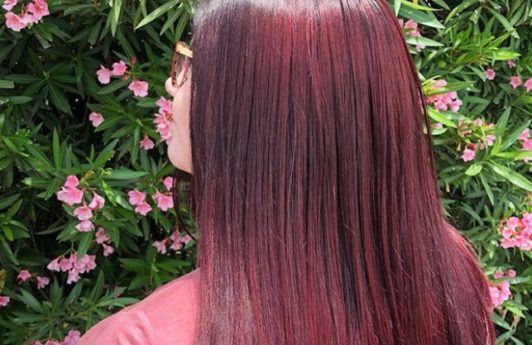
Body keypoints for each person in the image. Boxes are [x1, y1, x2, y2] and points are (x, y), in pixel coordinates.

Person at [78, 0, 496, 344]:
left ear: (250, 112)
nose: (174, 85)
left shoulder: (143, 337)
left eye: (192, 64)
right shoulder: (449, 273)